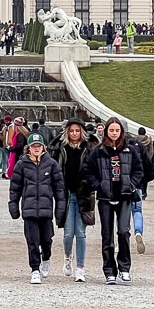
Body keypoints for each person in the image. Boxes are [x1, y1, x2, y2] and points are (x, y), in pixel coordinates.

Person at [82, 117, 143, 285]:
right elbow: (87, 170)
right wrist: (98, 185)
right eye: (111, 130)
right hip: (105, 198)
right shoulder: (98, 151)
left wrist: (131, 185)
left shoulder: (130, 151)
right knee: (107, 235)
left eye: (117, 130)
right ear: (106, 131)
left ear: (121, 132)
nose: (114, 133)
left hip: (124, 197)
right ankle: (109, 271)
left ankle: (124, 268)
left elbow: (139, 170)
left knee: (124, 232)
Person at [9, 132, 67, 284]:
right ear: (28, 148)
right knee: (32, 240)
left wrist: (60, 210)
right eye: (33, 146)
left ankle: (46, 258)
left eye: (39, 146)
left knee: (46, 239)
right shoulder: (21, 164)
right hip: (29, 209)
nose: (36, 149)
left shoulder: (52, 164)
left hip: (46, 209)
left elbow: (59, 189)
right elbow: (15, 187)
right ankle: (35, 268)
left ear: (43, 148)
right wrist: (13, 205)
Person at [55, 118, 93, 282]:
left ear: (82, 132)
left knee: (81, 233)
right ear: (67, 132)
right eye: (72, 131)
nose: (75, 134)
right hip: (67, 194)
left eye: (77, 131)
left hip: (84, 195)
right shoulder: (61, 148)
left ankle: (80, 268)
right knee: (68, 233)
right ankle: (67, 256)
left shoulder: (89, 149)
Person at [5, 116, 28, 181]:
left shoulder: (19, 134)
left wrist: (11, 148)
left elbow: (19, 145)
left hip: (17, 155)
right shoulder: (23, 133)